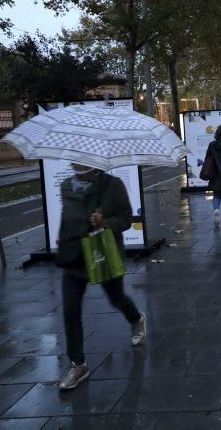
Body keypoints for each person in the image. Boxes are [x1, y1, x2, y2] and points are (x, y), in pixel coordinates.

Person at [55, 163, 146, 391]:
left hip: (102, 252)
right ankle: (78, 364)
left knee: (116, 299)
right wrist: (62, 240)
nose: (76, 160)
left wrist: (105, 223)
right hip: (75, 256)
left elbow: (126, 218)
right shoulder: (67, 186)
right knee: (70, 310)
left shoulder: (112, 185)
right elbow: (67, 219)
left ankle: (136, 319)